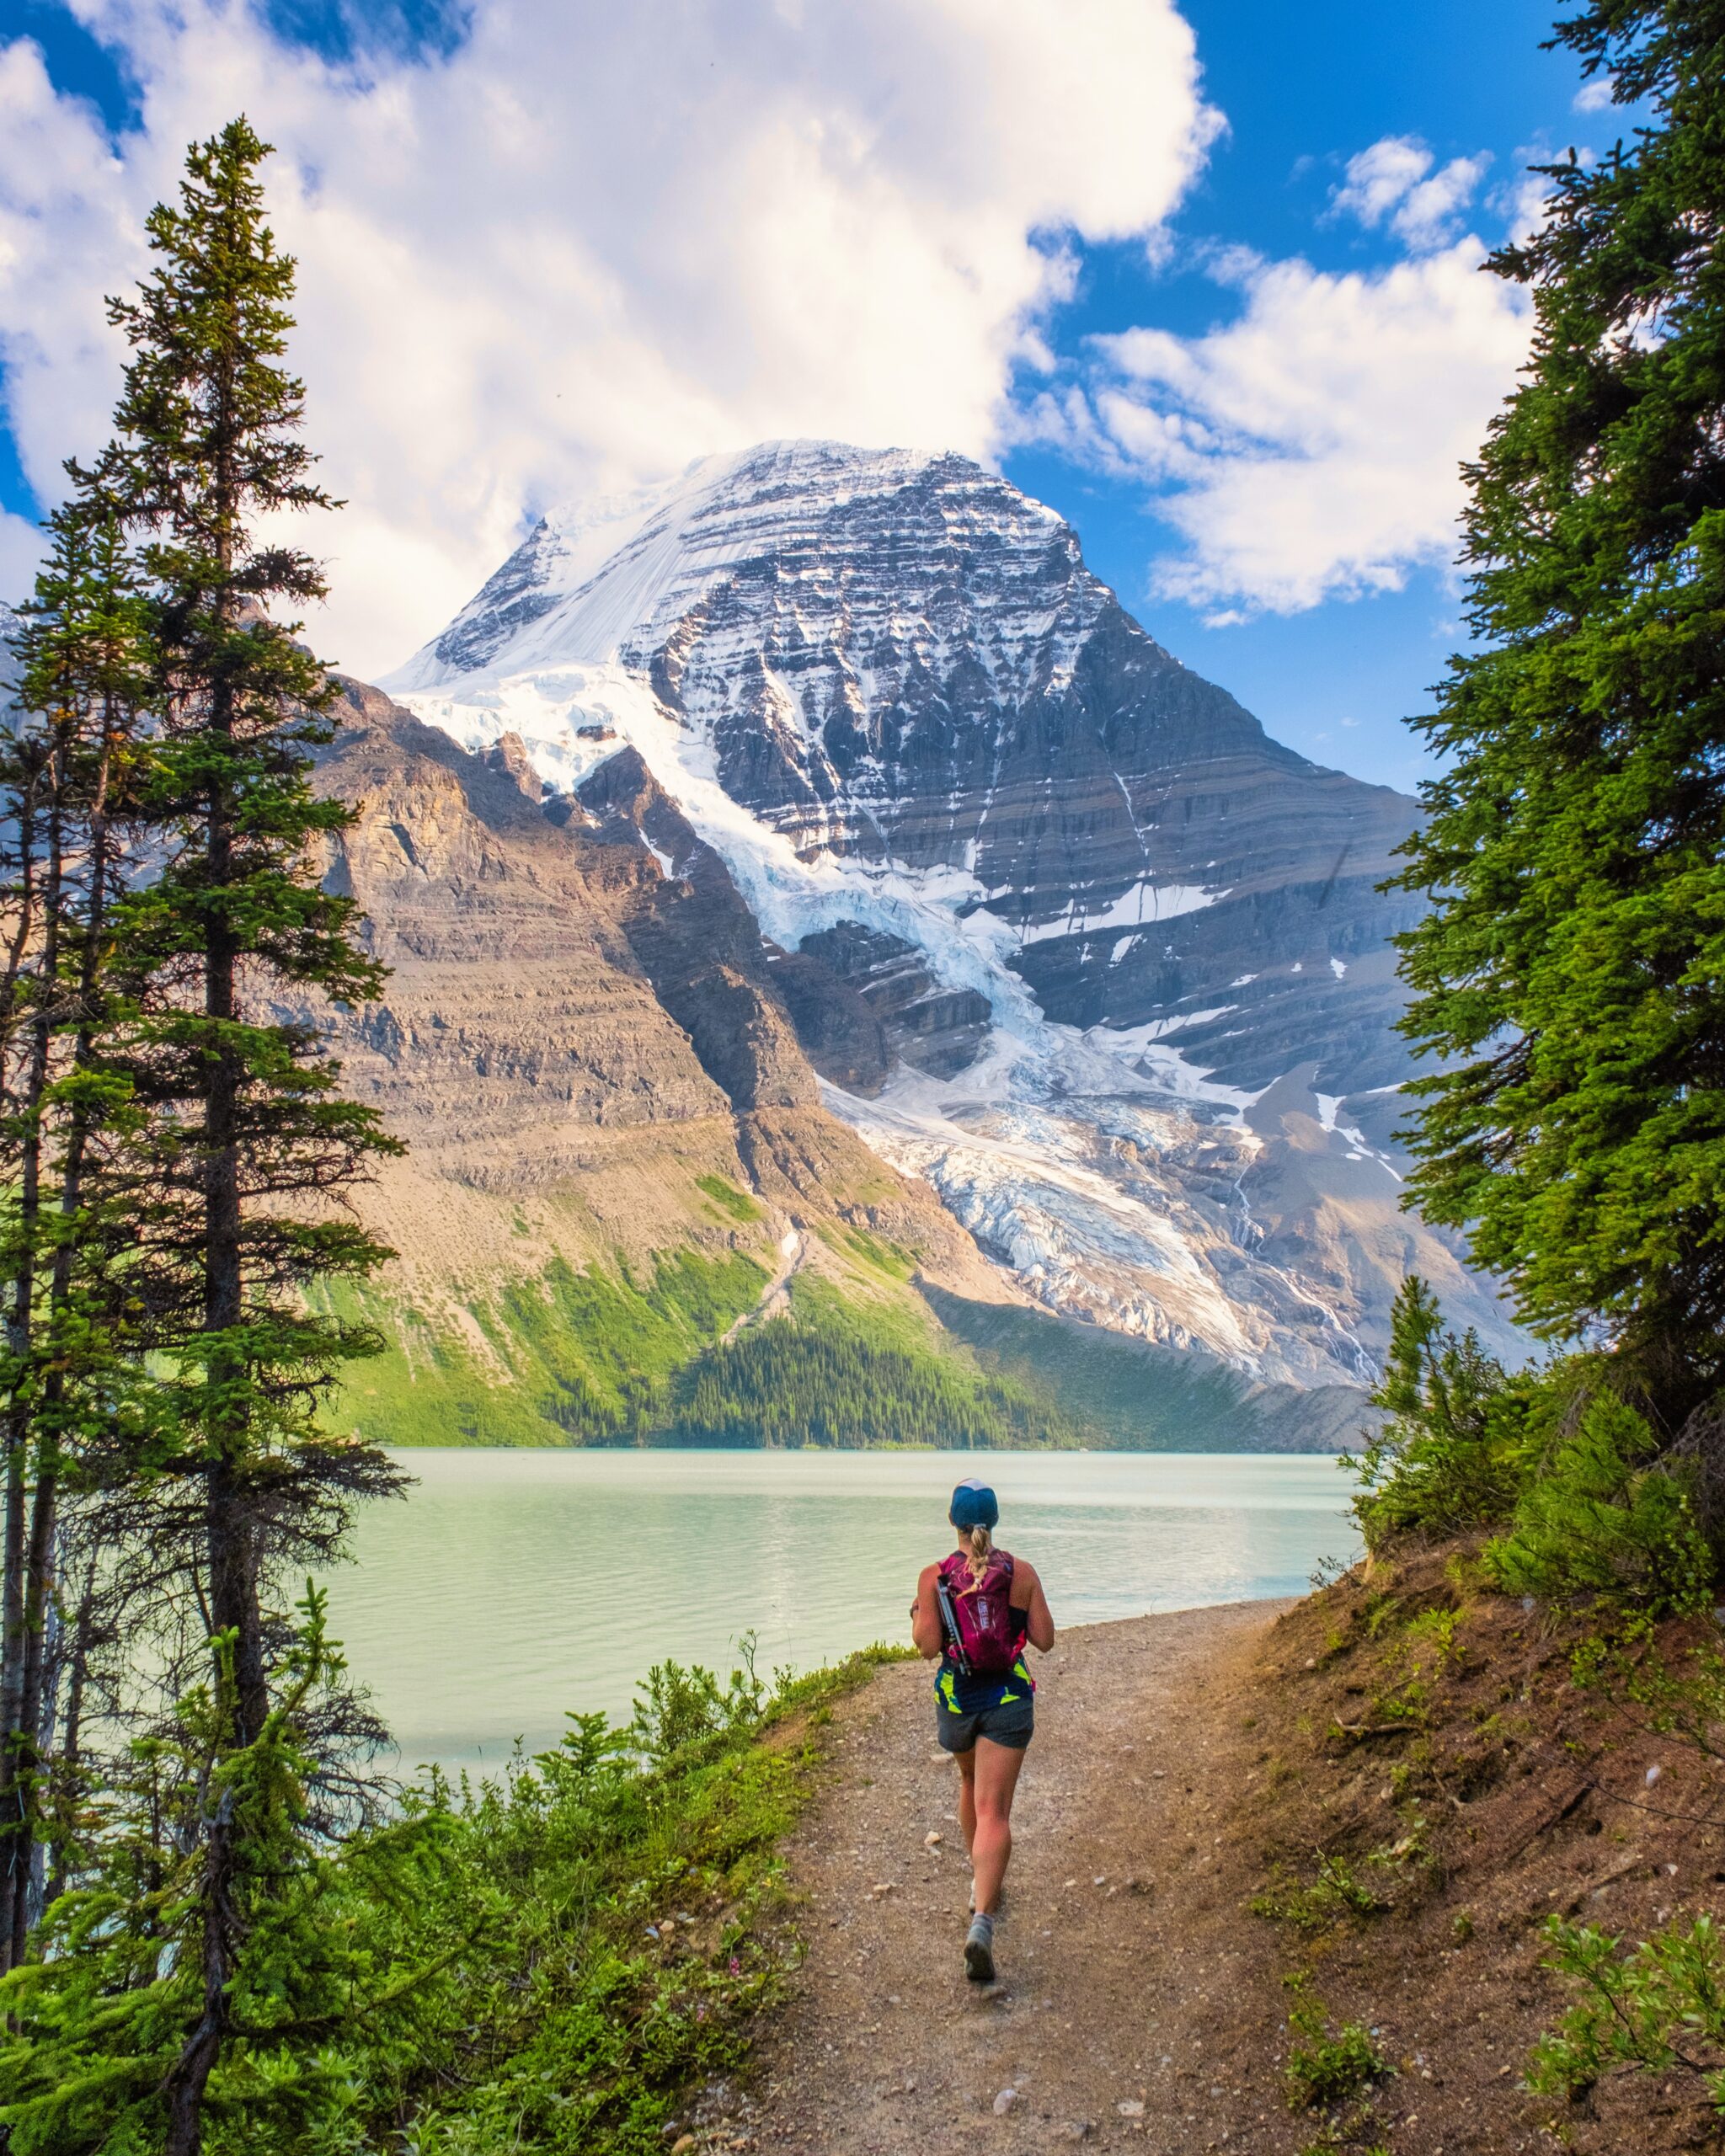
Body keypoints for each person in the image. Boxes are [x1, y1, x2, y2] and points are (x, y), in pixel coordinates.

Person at [911, 1476, 1055, 1983]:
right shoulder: (1022, 1572)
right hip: (1009, 1700)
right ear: (993, 1522)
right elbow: (1045, 1640)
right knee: (996, 1811)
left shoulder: (934, 1577)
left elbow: (928, 1647)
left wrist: (918, 1613)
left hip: (957, 1699)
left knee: (971, 1787)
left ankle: (981, 1886)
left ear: (952, 1521)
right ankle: (983, 1921)